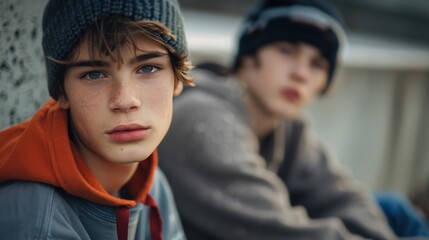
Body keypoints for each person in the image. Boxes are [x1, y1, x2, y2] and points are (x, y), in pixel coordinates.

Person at [158, 0, 400, 239]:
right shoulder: (203, 119)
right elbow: (283, 232)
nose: (301, 74)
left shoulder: (286, 127)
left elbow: (340, 196)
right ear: (248, 55)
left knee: (392, 209)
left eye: (317, 64)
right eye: (286, 50)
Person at [0, 0, 193, 239]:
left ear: (177, 79)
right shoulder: (36, 221)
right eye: (94, 74)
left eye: (148, 68)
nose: (124, 100)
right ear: (61, 92)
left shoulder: (150, 181)